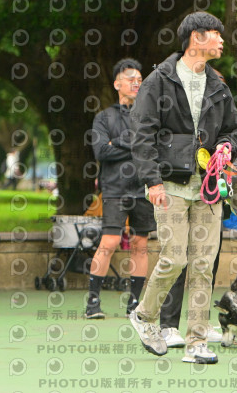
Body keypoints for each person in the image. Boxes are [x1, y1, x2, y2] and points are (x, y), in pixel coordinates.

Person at [129, 11, 237, 364]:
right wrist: (152, 181)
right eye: (216, 33)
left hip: (209, 188)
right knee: (175, 258)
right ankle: (144, 315)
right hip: (170, 185)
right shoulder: (159, 80)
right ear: (197, 37)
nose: (222, 40)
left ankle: (196, 343)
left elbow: (232, 130)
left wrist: (227, 147)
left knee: (204, 265)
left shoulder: (218, 85)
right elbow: (142, 134)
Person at [156, 68, 228, 348]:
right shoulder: (179, 111)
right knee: (178, 260)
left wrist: (226, 154)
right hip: (179, 189)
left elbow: (231, 138)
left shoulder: (221, 113)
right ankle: (167, 325)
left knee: (207, 263)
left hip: (212, 194)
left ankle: (200, 325)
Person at [85, 58, 155, 319]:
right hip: (114, 189)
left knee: (140, 244)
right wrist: (134, 144)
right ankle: (93, 303)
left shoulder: (148, 117)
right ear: (117, 84)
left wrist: (119, 143)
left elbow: (152, 149)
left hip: (143, 188)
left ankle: (134, 305)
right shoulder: (104, 117)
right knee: (110, 241)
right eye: (130, 79)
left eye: (139, 79)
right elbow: (102, 151)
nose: (136, 83)